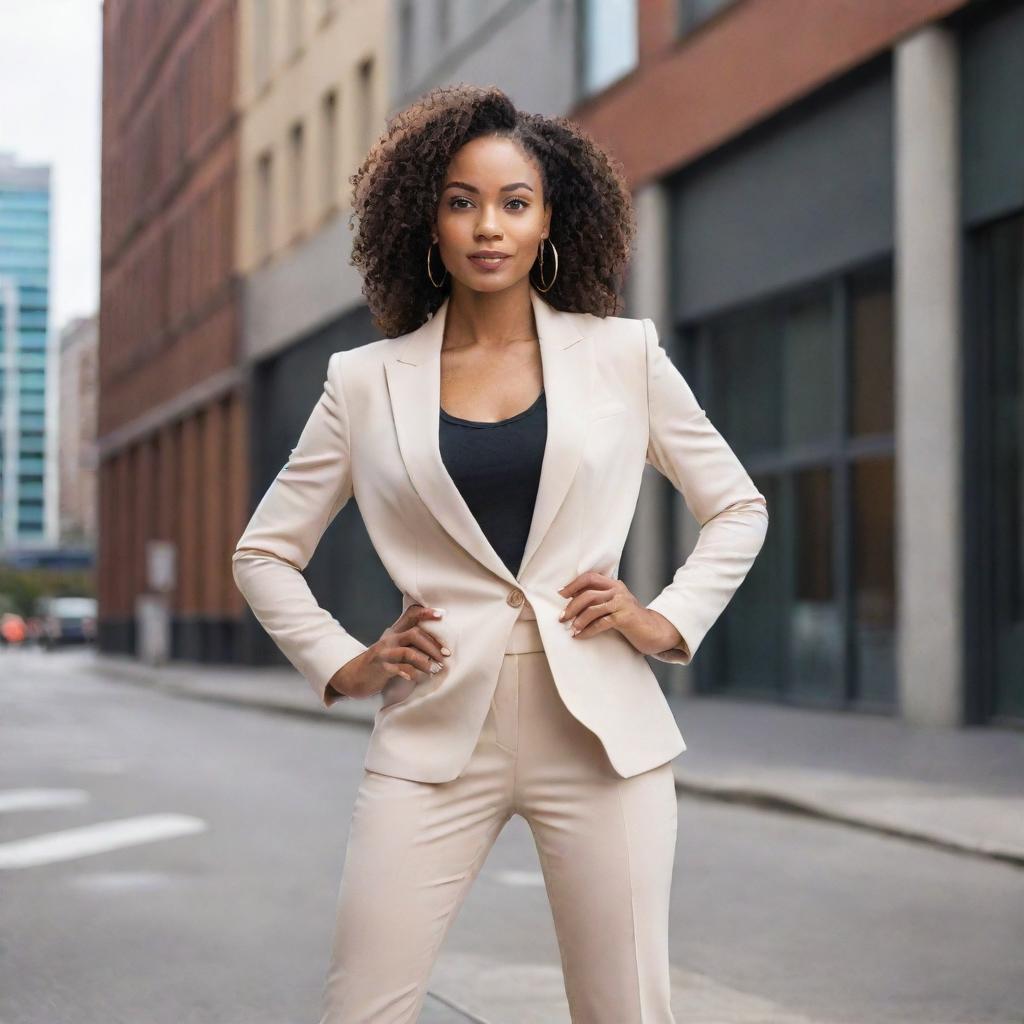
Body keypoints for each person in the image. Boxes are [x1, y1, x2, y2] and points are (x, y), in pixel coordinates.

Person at [232, 84, 769, 1024]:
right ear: (426, 222)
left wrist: (662, 618)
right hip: (435, 729)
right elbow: (265, 551)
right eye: (461, 200)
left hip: (602, 736)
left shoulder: (623, 356)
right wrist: (345, 663)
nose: (489, 226)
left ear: (549, 219)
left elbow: (737, 507)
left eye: (514, 203)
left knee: (625, 1012)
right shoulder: (362, 384)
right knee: (363, 1007)